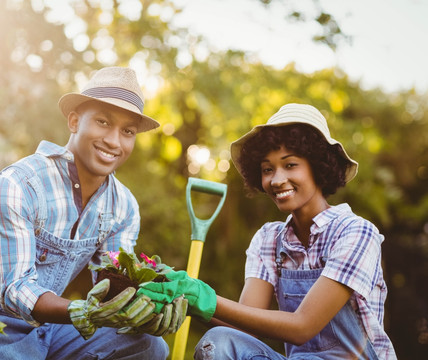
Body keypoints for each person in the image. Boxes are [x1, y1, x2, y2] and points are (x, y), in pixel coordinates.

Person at [0, 67, 185, 360]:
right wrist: (81, 311)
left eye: (127, 131)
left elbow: (111, 285)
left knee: (148, 346)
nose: (113, 141)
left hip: (48, 329)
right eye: (103, 122)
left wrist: (149, 305)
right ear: (74, 121)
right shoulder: (20, 184)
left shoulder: (123, 206)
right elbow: (16, 290)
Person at [138, 103, 397, 359]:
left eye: (290, 165)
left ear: (318, 167)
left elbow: (303, 326)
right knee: (218, 342)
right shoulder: (269, 239)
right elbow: (241, 325)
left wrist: (205, 297)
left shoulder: (356, 232)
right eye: (267, 169)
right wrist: (184, 298)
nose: (276, 179)